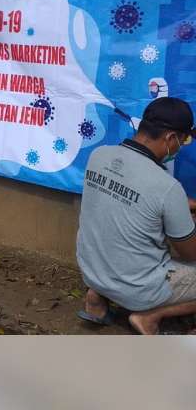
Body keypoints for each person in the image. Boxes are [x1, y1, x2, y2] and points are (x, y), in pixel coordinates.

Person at [76, 96, 196, 334]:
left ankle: (96, 298)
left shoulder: (99, 155)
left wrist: (182, 206)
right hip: (137, 288)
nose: (182, 147)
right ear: (171, 138)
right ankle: (150, 316)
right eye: (184, 141)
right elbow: (190, 253)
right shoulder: (166, 187)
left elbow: (131, 198)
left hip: (91, 271)